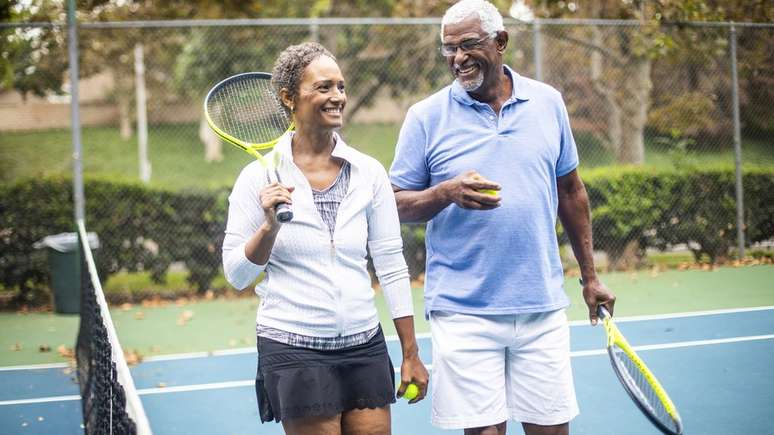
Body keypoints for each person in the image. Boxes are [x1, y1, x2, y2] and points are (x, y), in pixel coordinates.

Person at [389, 1, 616, 435]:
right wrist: (445, 193)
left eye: (468, 45)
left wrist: (590, 277)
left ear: (501, 41)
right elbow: (393, 203)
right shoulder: (425, 117)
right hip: (463, 310)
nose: (457, 58)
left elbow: (571, 191)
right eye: (448, 49)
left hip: (541, 305)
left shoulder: (548, 103)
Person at [222, 42, 428, 435]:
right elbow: (237, 274)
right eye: (323, 87)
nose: (337, 97)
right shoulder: (256, 179)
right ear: (288, 97)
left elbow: (390, 262)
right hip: (294, 346)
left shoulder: (368, 172)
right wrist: (269, 227)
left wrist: (411, 353)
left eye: (341, 86)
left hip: (363, 342)